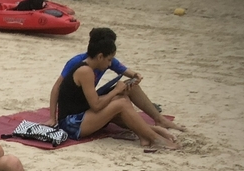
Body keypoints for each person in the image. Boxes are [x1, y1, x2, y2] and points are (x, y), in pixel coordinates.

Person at [48, 28, 180, 152]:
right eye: (109, 60)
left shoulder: (89, 66)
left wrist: (127, 83)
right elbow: (96, 105)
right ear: (100, 56)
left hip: (82, 111)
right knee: (120, 102)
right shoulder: (85, 71)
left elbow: (95, 102)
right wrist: (115, 90)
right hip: (71, 123)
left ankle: (146, 135)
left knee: (121, 99)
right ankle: (155, 138)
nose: (110, 64)